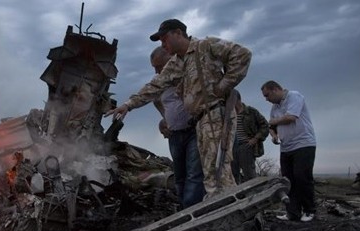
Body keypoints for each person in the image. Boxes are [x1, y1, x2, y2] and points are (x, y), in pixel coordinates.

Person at [105, 19, 252, 198]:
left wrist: (223, 86)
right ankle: (223, 211)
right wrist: (128, 105)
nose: (163, 43)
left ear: (178, 33)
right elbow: (155, 86)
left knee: (218, 171)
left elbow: (242, 54)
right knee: (211, 173)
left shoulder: (205, 46)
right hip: (200, 120)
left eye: (164, 38)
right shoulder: (176, 63)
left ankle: (228, 213)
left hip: (215, 114)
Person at [150, 46, 205, 209]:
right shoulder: (160, 83)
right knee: (179, 175)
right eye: (154, 67)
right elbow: (156, 101)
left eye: (158, 66)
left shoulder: (188, 74)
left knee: (194, 172)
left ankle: (193, 211)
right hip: (174, 135)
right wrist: (165, 120)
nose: (156, 71)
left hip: (194, 131)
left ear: (171, 59)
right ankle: (184, 209)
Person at [261, 80, 316, 222]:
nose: (266, 99)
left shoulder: (294, 96)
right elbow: (271, 126)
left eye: (267, 95)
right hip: (286, 147)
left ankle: (310, 210)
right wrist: (274, 136)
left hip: (303, 144)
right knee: (288, 181)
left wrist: (273, 122)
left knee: (302, 177)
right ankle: (293, 212)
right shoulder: (275, 106)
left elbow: (291, 117)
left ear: (275, 90)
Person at [231, 92, 269, 184]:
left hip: (246, 146)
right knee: (233, 175)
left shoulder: (250, 111)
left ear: (237, 99)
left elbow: (265, 126)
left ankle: (255, 194)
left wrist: (256, 138)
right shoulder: (229, 114)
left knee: (249, 174)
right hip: (231, 147)